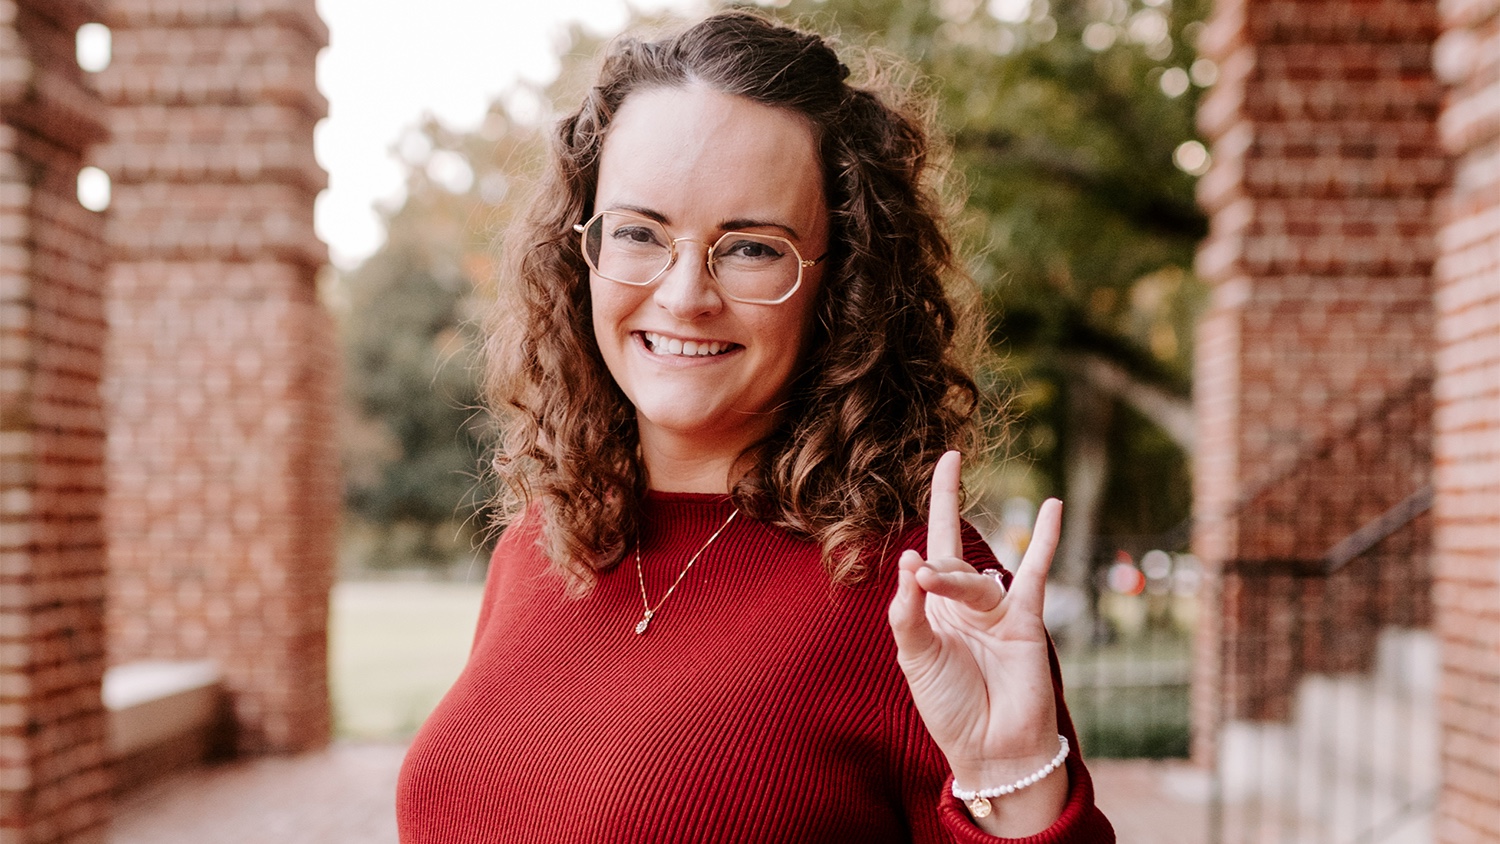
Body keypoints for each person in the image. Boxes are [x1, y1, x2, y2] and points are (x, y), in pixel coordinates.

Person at [396, 10, 1114, 843]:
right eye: (639, 232)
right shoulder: (541, 545)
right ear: (579, 251)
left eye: (751, 248)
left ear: (841, 279)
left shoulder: (920, 592)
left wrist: (1012, 781)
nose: (684, 294)